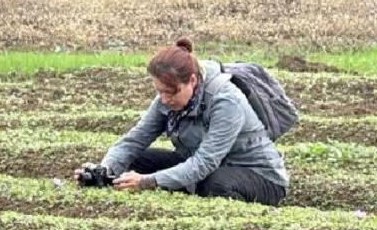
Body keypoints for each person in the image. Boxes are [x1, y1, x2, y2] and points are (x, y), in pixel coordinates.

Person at [75, 37, 289, 206]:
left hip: (258, 177)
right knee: (135, 160)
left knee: (215, 184)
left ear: (192, 81)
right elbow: (135, 140)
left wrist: (149, 181)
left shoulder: (226, 101)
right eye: (159, 92)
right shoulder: (166, 99)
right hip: (203, 166)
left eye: (170, 92)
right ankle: (184, 188)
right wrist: (103, 171)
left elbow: (205, 163)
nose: (164, 99)